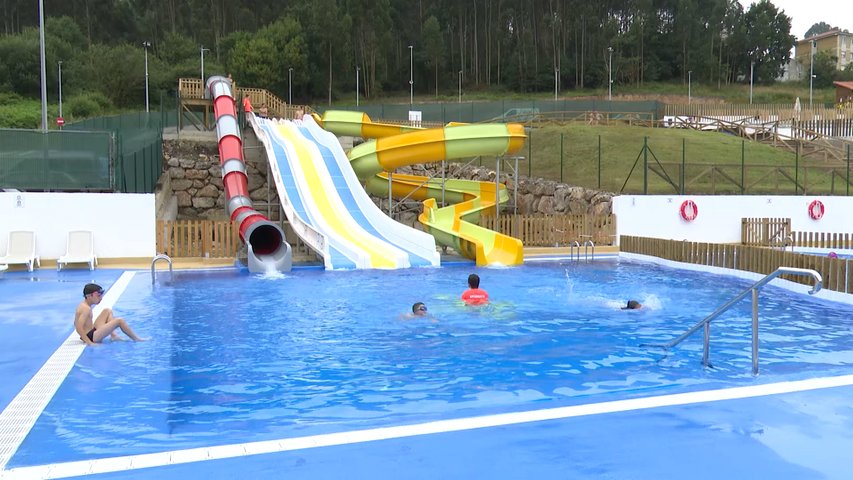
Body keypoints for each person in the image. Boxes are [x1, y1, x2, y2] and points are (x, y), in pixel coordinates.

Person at [74, 283, 145, 345]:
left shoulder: (84, 305)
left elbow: (75, 322)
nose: (101, 298)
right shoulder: (86, 309)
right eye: (98, 296)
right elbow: (78, 327)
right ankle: (136, 339)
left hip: (92, 332)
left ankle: (113, 336)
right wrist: (90, 343)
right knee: (119, 321)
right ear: (89, 296)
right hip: (91, 337)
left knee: (107, 311)